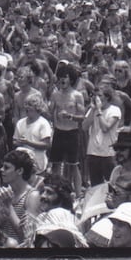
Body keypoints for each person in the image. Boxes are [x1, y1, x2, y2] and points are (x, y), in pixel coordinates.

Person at [48, 64, 88, 195]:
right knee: (55, 164)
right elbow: (50, 113)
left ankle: (78, 194)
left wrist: (70, 116)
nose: (62, 80)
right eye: (60, 77)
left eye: (65, 77)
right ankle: (54, 190)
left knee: (73, 165)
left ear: (71, 78)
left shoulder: (77, 95)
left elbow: (82, 117)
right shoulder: (55, 95)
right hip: (59, 132)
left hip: (72, 133)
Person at [0, 150, 41, 243]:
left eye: (6, 167)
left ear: (20, 171)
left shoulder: (32, 196)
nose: (1, 170)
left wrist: (8, 206)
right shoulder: (5, 194)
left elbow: (27, 236)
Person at [83, 76, 122, 185]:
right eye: (95, 96)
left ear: (107, 97)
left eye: (100, 96)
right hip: (93, 152)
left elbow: (105, 128)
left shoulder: (115, 110)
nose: (97, 99)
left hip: (108, 154)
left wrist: (99, 110)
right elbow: (84, 127)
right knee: (96, 185)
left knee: (112, 184)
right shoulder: (93, 110)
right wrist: (93, 110)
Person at [12, 93, 52, 173]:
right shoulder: (20, 122)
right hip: (22, 162)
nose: (27, 107)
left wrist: (28, 142)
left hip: (37, 162)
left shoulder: (43, 123)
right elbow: (14, 141)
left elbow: (46, 145)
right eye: (26, 105)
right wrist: (18, 143)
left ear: (37, 108)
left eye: (30, 105)